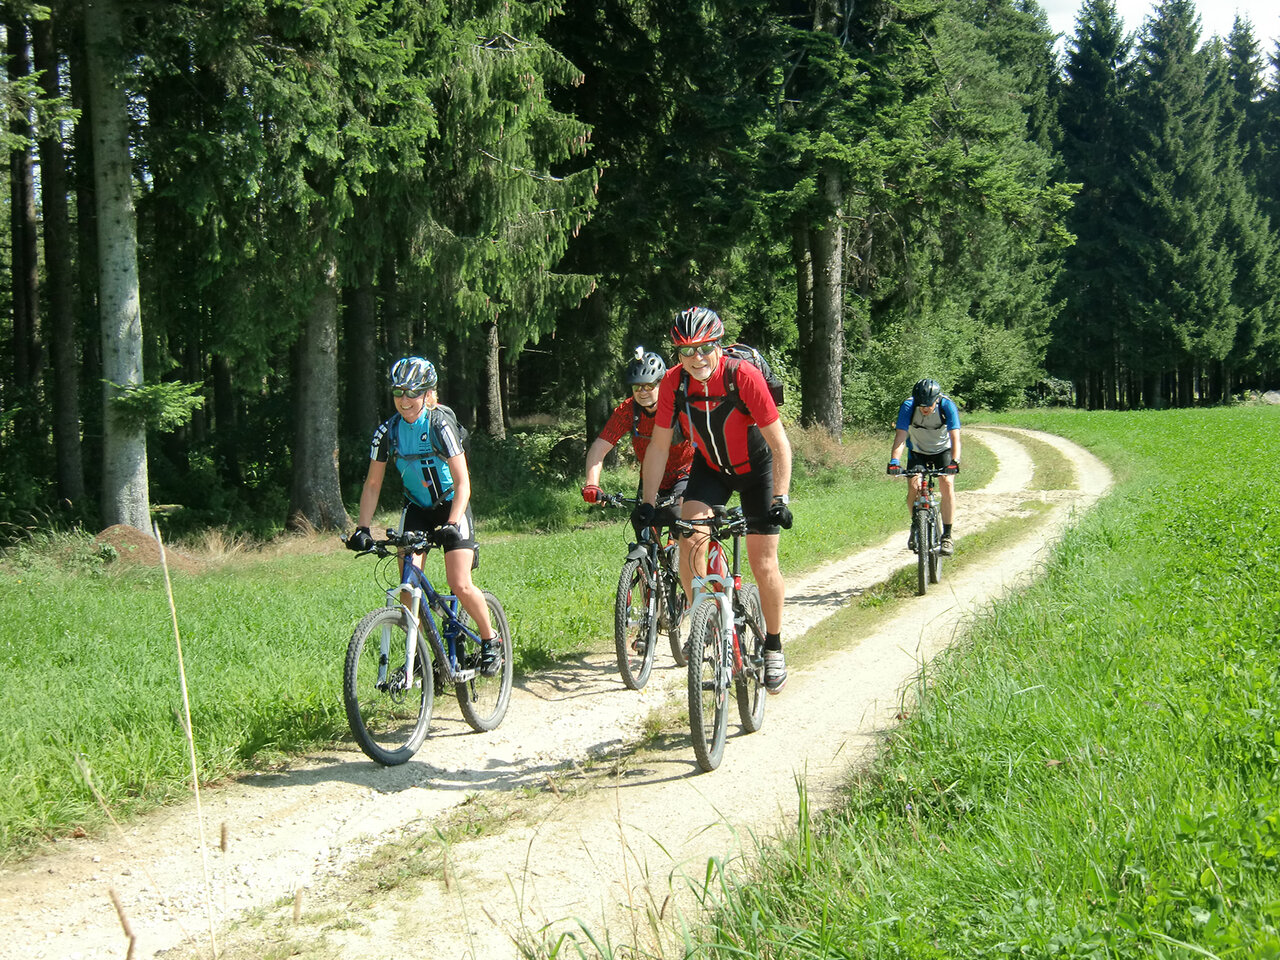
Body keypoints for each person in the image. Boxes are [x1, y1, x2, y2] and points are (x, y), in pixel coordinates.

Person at [635, 307, 794, 694]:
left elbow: (779, 444)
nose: (697, 358)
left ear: (718, 345)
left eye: (704, 348)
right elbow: (659, 446)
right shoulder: (673, 383)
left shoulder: (743, 376)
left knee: (763, 563)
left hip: (757, 470)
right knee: (689, 538)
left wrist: (780, 497)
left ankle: (774, 646)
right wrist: (649, 502)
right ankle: (704, 618)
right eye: (686, 351)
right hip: (711, 469)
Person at [346, 356, 503, 676]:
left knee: (460, 583)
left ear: (428, 394)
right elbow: (372, 484)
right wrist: (362, 528)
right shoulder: (387, 431)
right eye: (398, 392)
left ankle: (491, 640)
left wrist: (452, 522)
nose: (404, 400)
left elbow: (463, 483)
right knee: (408, 588)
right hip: (417, 508)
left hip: (451, 504)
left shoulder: (439, 425)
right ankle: (418, 655)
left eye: (412, 393)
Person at [581, 346, 694, 532]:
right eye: (637, 386)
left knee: (678, 518)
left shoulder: (678, 407)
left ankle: (680, 547)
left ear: (662, 384)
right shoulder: (628, 410)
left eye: (649, 385)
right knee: (641, 523)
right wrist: (592, 484)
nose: (642, 391)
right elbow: (600, 446)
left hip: (684, 474)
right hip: (650, 477)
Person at [886, 378, 961, 556]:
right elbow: (901, 436)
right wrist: (895, 461)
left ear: (936, 399)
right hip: (918, 451)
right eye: (921, 405)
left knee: (947, 484)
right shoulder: (908, 406)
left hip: (943, 451)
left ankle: (947, 536)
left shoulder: (947, 406)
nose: (924, 409)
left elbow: (955, 437)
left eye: (928, 405)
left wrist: (955, 461)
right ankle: (916, 525)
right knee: (914, 486)